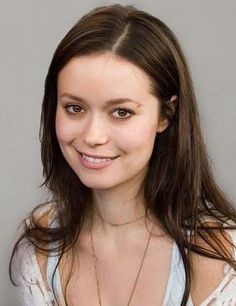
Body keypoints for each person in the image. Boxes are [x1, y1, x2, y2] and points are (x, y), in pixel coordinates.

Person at [9, 3, 236, 306]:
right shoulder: (39, 243)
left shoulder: (220, 260)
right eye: (74, 108)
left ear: (165, 115)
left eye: (121, 112)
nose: (92, 136)